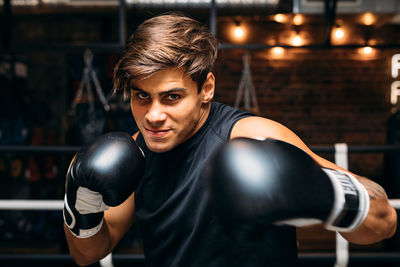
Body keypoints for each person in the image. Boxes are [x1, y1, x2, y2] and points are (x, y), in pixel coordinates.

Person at [63, 13, 397, 266]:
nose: (153, 115)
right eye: (142, 96)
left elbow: (384, 221)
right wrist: (80, 198)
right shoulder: (134, 152)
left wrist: (325, 193)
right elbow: (89, 253)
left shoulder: (253, 136)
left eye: (172, 97)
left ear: (206, 88)